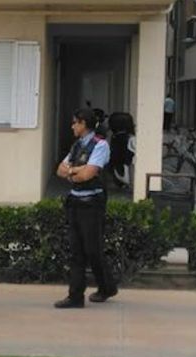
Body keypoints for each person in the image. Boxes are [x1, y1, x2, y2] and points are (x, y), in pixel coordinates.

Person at [54, 108, 118, 309]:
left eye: (75, 122)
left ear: (83, 124)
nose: (72, 126)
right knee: (76, 251)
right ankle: (75, 296)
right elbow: (59, 170)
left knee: (93, 250)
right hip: (74, 202)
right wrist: (76, 170)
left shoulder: (101, 145)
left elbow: (88, 175)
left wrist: (73, 171)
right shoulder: (76, 146)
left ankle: (107, 287)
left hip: (92, 204)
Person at [107, 112, 136, 188]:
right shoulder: (131, 138)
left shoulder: (116, 138)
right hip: (128, 173)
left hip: (119, 172)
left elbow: (114, 157)